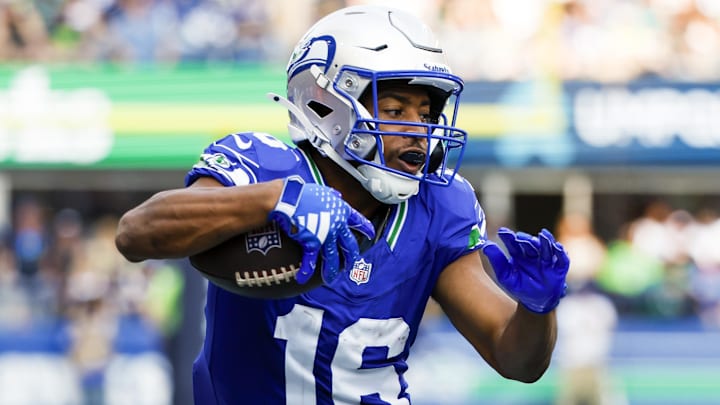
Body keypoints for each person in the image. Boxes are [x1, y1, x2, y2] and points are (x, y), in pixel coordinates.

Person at [115, 5, 570, 404]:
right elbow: (136, 234)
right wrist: (274, 200)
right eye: (394, 111)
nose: (420, 129)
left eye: (426, 114)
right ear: (326, 104)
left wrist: (537, 310)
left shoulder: (440, 205)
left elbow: (517, 360)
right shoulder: (264, 167)